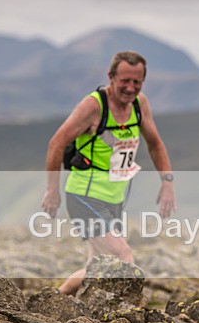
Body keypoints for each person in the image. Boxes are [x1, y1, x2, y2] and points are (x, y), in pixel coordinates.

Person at [41, 51, 176, 295]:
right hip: (84, 196)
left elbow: (155, 143)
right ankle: (130, 317)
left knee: (96, 267)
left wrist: (167, 182)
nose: (130, 87)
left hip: (114, 198)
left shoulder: (140, 104)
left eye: (137, 82)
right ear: (111, 77)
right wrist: (52, 191)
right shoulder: (93, 106)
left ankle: (55, 299)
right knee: (122, 256)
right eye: (125, 80)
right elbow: (56, 143)